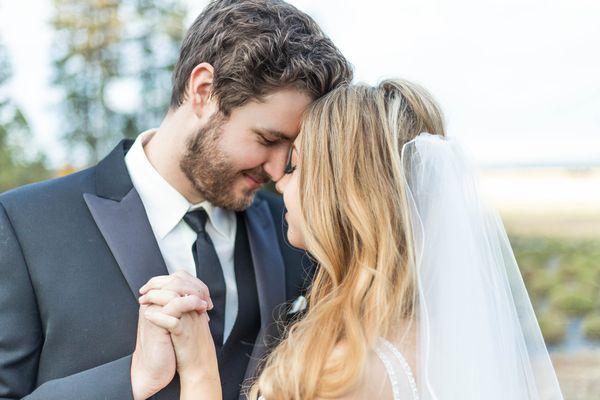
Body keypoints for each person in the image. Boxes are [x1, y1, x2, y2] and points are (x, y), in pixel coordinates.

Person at [0, 1, 352, 399]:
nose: (276, 171)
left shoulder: (298, 237)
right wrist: (131, 380)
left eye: (291, 150)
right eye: (268, 140)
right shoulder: (26, 224)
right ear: (203, 91)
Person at [140, 80, 565, 400]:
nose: (281, 184)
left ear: (341, 190)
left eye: (296, 166)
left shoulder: (339, 372)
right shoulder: (439, 339)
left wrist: (198, 369)